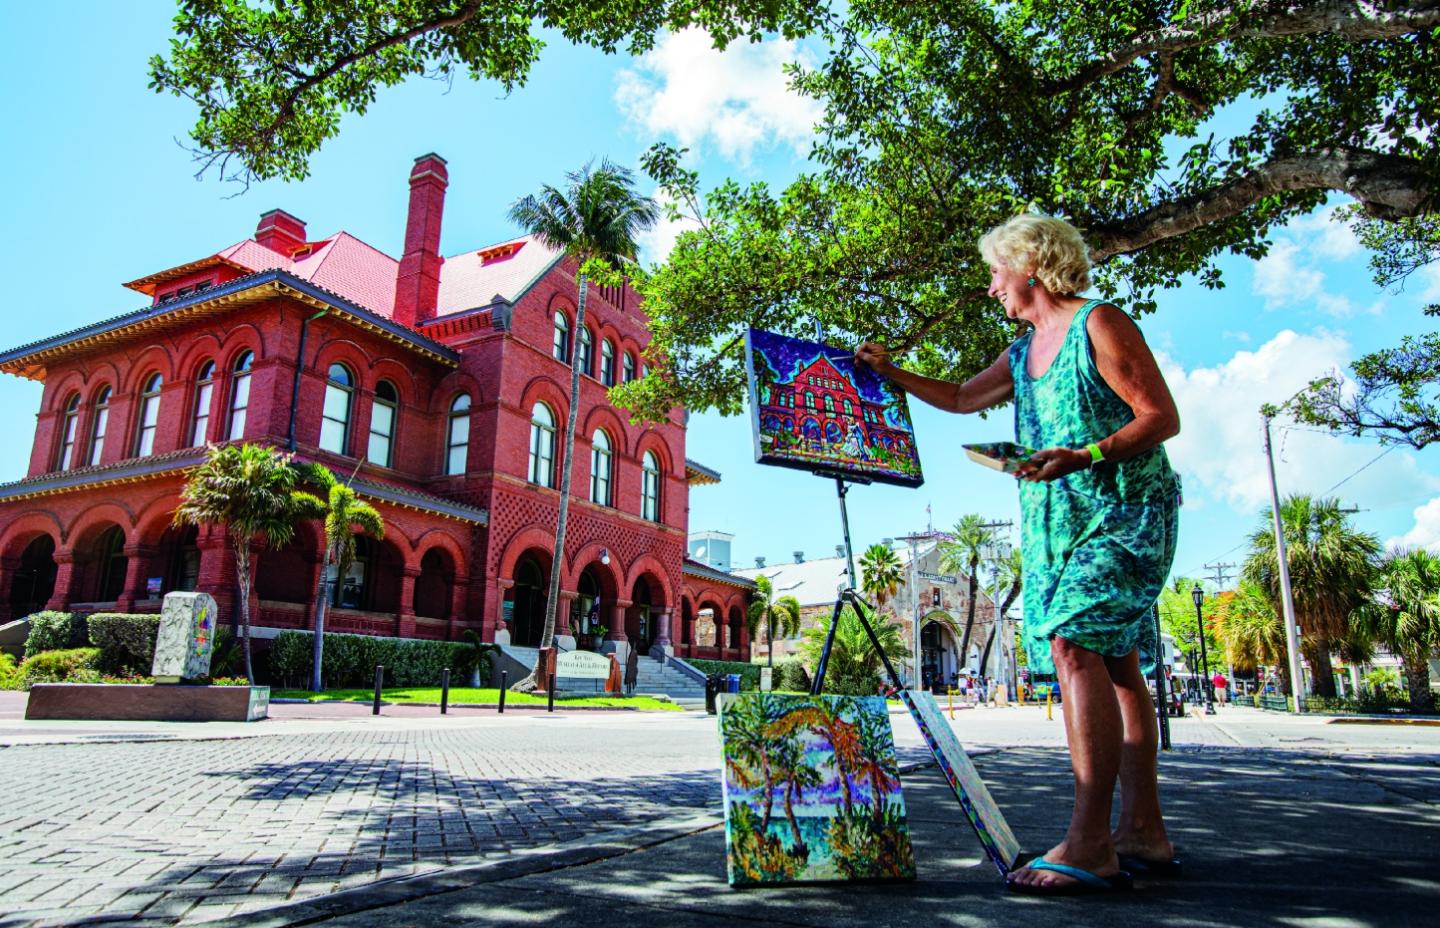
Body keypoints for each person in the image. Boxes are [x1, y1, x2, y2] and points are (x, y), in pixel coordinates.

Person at [856, 214, 1181, 895]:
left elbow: (1160, 417)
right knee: (1118, 665)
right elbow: (961, 397)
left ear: (1031, 263)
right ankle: (1143, 831)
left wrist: (1086, 454)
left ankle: (1091, 843)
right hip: (1057, 523)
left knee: (1073, 646)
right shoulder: (1021, 351)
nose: (991, 287)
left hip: (1125, 513)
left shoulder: (1100, 322)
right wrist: (893, 373)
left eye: (996, 272)